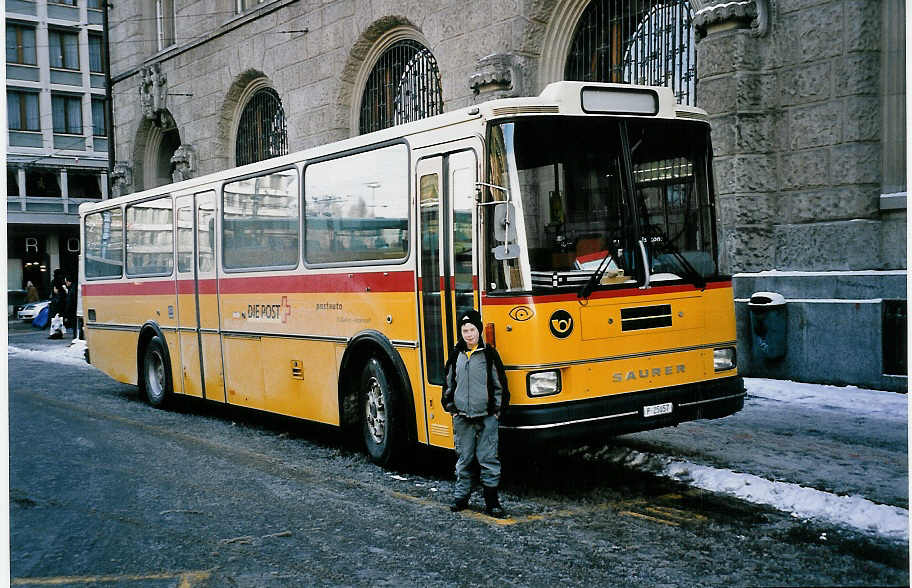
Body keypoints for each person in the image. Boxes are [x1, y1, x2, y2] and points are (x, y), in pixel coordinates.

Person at [441, 309, 509, 518]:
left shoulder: (489, 355)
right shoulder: (455, 355)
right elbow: (449, 384)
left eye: (472, 330)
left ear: (479, 331)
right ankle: (461, 498)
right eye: (465, 330)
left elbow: (500, 386)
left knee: (488, 458)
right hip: (462, 417)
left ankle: (492, 502)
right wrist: (451, 409)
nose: (469, 334)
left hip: (487, 417)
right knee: (464, 458)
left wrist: (496, 412)